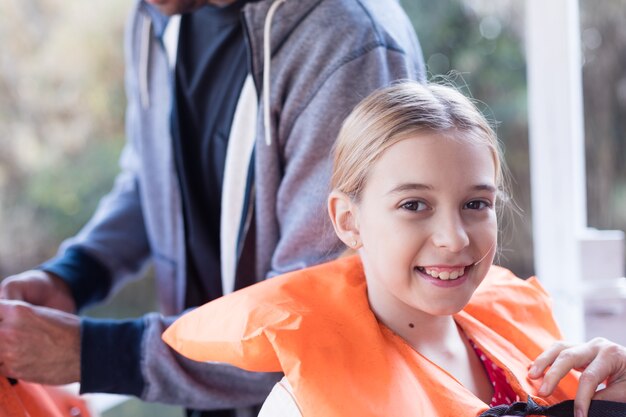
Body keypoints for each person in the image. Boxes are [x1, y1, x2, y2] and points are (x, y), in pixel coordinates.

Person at [0, 0, 425, 415]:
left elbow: (314, 321)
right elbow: (150, 178)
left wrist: (99, 354)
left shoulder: (349, 42)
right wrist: (74, 276)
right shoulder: (156, 15)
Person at [163, 81, 626, 417]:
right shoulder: (300, 407)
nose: (455, 238)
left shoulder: (540, 355)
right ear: (349, 220)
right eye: (414, 205)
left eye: (475, 204)